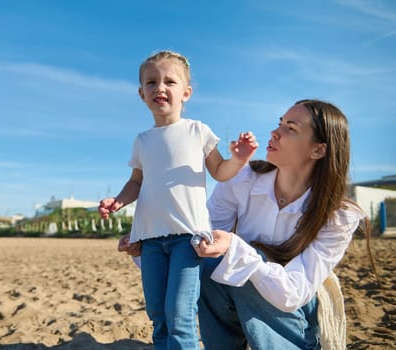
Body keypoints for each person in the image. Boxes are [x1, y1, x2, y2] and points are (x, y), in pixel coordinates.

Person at [98, 50, 258, 350]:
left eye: (169, 81)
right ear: (141, 93)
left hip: (189, 238)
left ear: (185, 93)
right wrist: (118, 201)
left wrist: (239, 158)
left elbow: (221, 172)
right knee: (158, 316)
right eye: (151, 82)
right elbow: (136, 182)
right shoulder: (142, 141)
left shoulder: (198, 130)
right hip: (150, 240)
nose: (160, 87)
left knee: (180, 315)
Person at [188, 99, 368, 349]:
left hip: (295, 310)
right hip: (242, 302)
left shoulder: (338, 216)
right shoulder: (241, 178)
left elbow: (294, 292)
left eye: (291, 128)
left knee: (246, 264)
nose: (275, 132)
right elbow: (204, 234)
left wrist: (239, 250)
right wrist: (150, 239)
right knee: (211, 264)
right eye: (279, 123)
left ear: (318, 150)